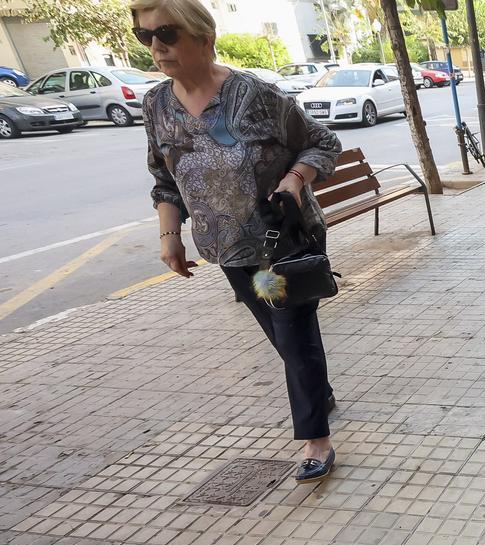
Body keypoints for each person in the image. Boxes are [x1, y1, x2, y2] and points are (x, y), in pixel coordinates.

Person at [132, 0, 343, 484]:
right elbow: (164, 180)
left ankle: (317, 439)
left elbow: (322, 143)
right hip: (226, 249)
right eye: (147, 37)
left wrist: (294, 179)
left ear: (204, 38)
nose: (157, 47)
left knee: (294, 332)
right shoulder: (156, 105)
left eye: (167, 33)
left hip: (281, 242)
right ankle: (318, 391)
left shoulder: (256, 96)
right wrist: (170, 236)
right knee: (280, 334)